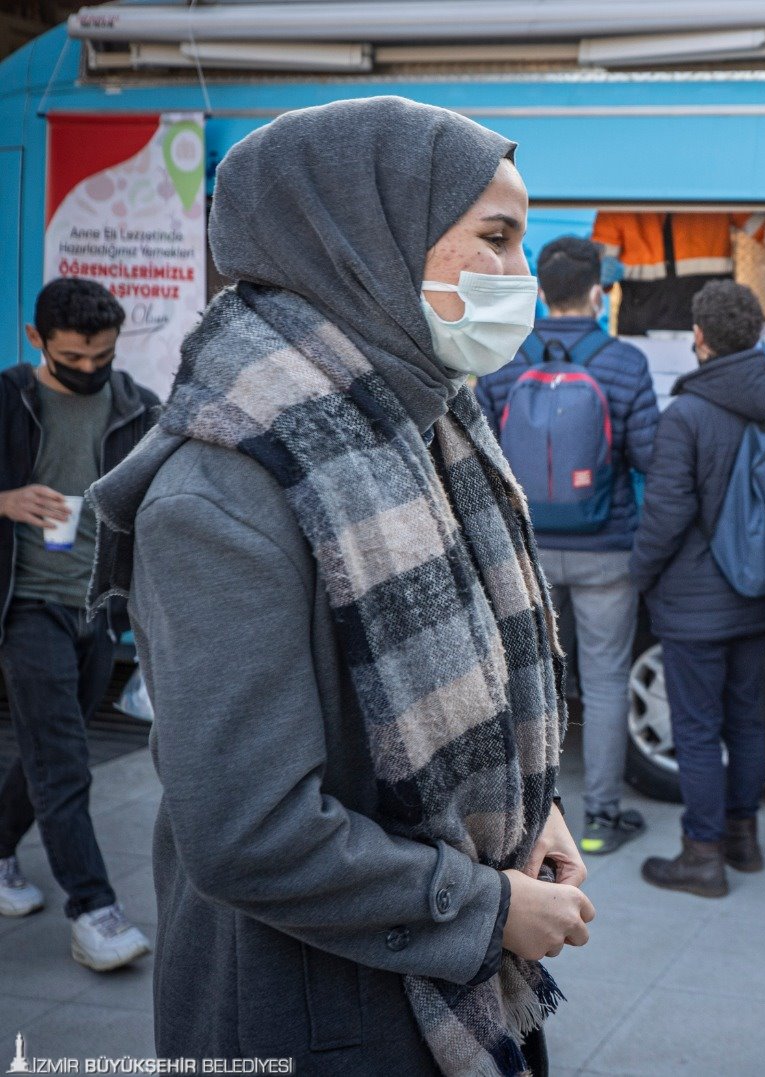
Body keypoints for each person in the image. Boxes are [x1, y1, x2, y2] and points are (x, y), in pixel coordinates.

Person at [86, 97, 593, 1076]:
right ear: (365, 238)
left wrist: (530, 811)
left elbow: (472, 691)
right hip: (316, 1017)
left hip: (442, 987)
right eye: (495, 238)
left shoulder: (430, 429)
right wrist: (487, 909)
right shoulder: (226, 492)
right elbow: (250, 833)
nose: (517, 278)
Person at [476, 235, 660, 856]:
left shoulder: (503, 357)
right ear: (596, 292)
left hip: (522, 547)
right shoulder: (625, 363)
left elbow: (480, 456)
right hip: (607, 549)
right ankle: (602, 819)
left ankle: (523, 821)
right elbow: (650, 457)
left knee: (526, 682)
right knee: (605, 680)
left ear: (539, 289)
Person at [0, 278, 159, 971]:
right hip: (26, 605)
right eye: (73, 357)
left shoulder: (136, 408)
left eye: (102, 356)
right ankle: (94, 909)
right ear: (36, 340)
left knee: (47, 747)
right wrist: (2, 499)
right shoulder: (8, 399)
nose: (90, 370)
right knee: (64, 760)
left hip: (99, 613)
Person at [631, 281, 765, 898]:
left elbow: (665, 516)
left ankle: (701, 857)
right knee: (745, 720)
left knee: (697, 728)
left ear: (699, 337)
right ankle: (743, 841)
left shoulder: (687, 415)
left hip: (693, 602)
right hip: (755, 594)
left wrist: (638, 573)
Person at [592, 211, 765, 335]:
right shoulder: (622, 197)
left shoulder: (714, 187)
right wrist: (598, 274)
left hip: (706, 329)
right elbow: (596, 275)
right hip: (642, 329)